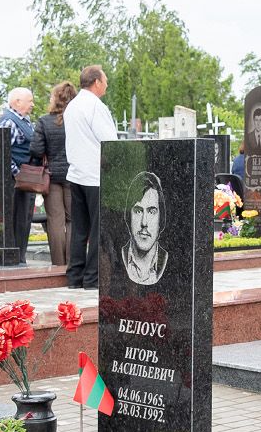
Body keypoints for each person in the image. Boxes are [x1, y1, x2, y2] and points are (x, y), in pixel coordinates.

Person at [63, 64, 118, 288]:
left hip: (76, 173)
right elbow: (110, 141)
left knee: (79, 228)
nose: (107, 84)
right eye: (105, 80)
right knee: (97, 229)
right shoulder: (96, 107)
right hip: (96, 175)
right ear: (96, 82)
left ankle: (74, 277)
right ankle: (92, 278)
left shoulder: (72, 106)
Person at [30, 82, 74, 267]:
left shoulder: (44, 121)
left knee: (55, 221)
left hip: (52, 176)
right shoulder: (78, 121)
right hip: (74, 175)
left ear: (55, 99)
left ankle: (58, 265)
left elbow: (36, 150)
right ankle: (73, 264)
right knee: (73, 220)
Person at [0, 87, 36, 264]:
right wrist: (18, 173)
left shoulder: (24, 121)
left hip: (25, 179)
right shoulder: (9, 122)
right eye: (30, 101)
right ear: (17, 102)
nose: (32, 104)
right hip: (15, 180)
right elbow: (3, 151)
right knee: (18, 219)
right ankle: (16, 258)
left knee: (24, 219)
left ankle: (21, 257)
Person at [120, 170, 168, 285]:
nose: (144, 222)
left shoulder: (168, 260)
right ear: (129, 216)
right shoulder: (119, 257)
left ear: (161, 218)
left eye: (152, 212)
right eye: (138, 211)